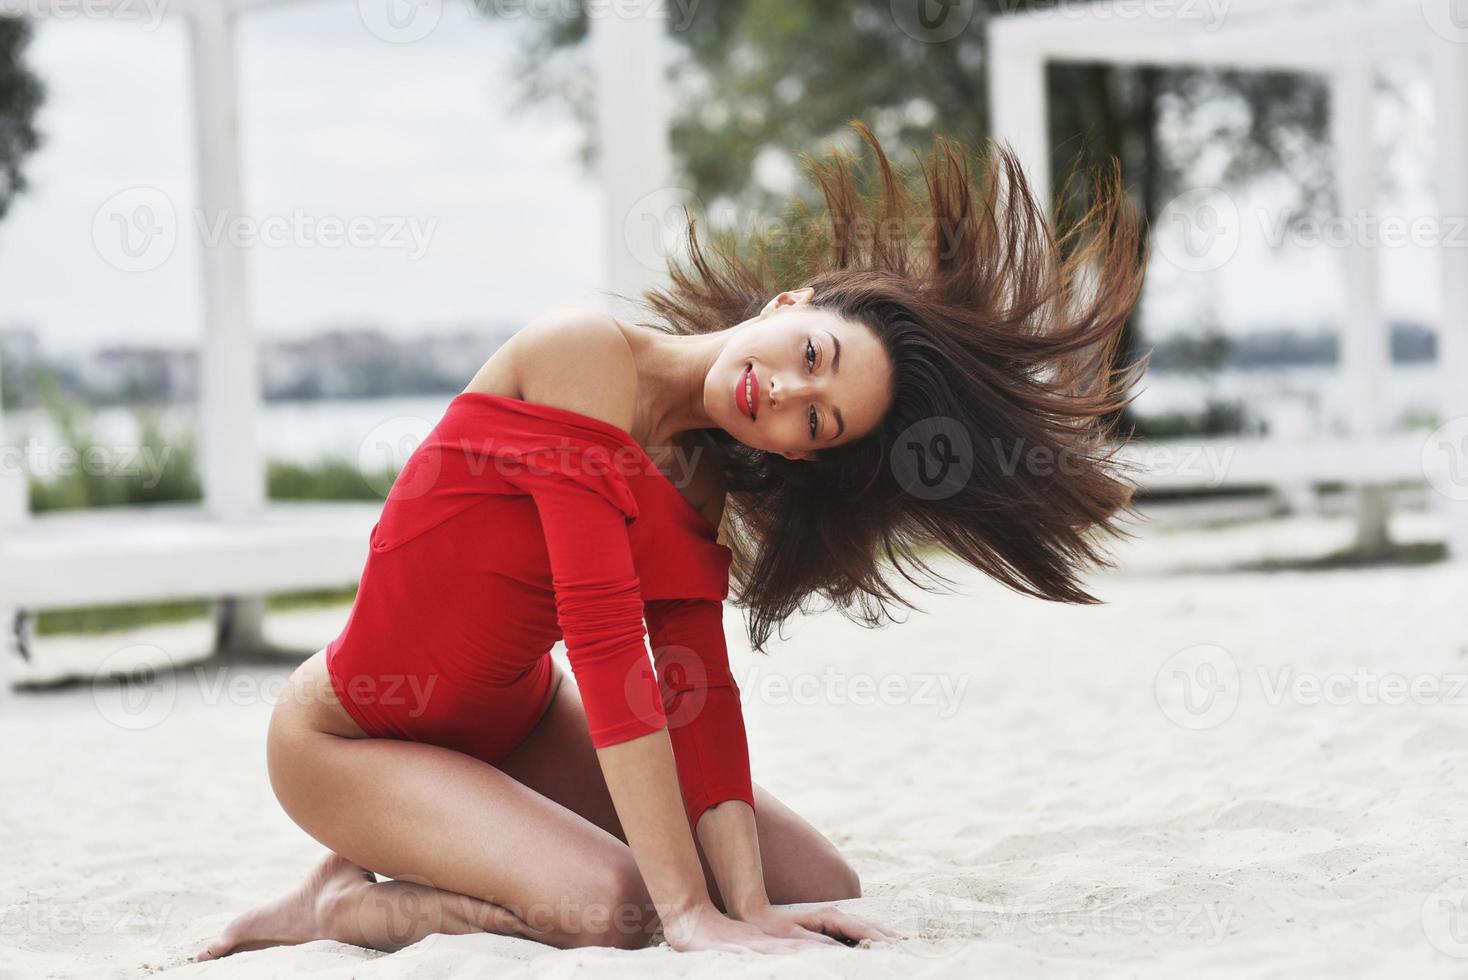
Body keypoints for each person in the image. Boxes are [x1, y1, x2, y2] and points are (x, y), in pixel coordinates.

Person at [198, 121, 1146, 959]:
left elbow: (696, 691)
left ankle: (509, 847)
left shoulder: (699, 479)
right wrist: (690, 913)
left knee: (814, 884)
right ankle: (337, 901)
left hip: (514, 730)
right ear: (791, 303)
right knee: (616, 906)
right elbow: (609, 648)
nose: (784, 395)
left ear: (803, 456)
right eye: (812, 357)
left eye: (816, 423)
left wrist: (748, 910)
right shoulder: (583, 354)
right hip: (350, 736)